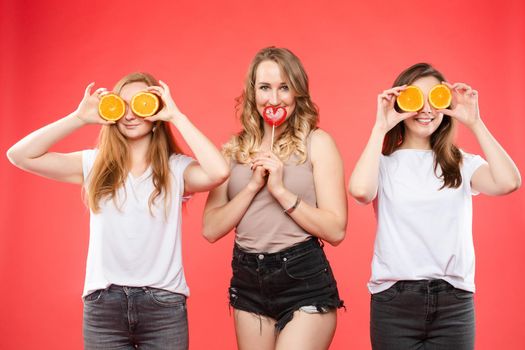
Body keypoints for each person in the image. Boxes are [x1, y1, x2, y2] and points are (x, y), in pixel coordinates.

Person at [6, 72, 230, 350]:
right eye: (121, 105)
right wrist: (78, 118)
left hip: (163, 304)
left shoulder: (176, 168)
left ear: (155, 110)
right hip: (104, 305)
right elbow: (19, 155)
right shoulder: (94, 163)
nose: (129, 114)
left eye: (140, 104)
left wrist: (177, 117)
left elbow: (219, 172)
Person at [348, 63, 521, 349]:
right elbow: (360, 191)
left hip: (454, 300)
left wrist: (475, 122)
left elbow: (508, 182)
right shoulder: (383, 165)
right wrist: (380, 126)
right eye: (417, 99)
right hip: (394, 300)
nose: (427, 109)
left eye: (435, 99)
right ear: (402, 103)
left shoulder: (461, 163)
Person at [202, 47, 347, 350]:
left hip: (302, 277)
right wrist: (253, 186)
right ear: (253, 93)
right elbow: (211, 229)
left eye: (284, 88)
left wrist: (281, 191)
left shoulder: (317, 143)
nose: (275, 99)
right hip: (248, 280)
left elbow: (335, 231)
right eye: (265, 88)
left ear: (297, 92)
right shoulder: (233, 150)